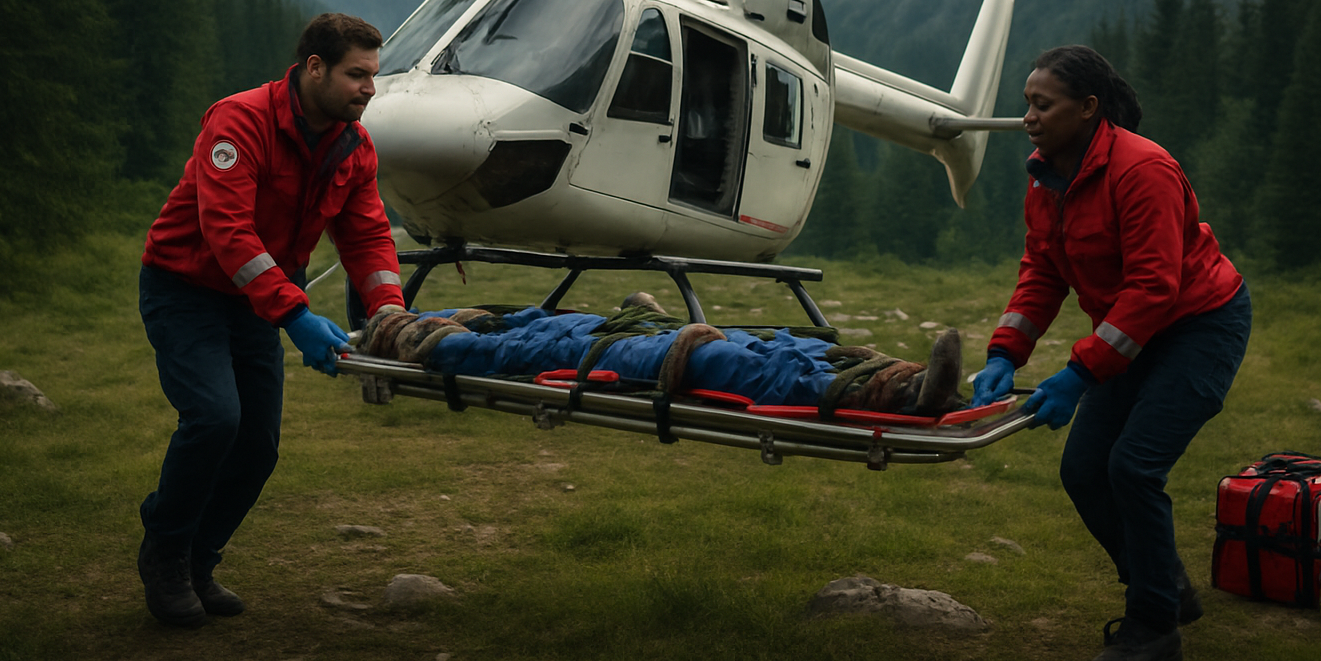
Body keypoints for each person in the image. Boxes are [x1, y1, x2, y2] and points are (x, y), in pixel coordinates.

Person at [969, 46, 1250, 661]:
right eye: (1026, 105)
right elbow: (1042, 271)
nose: (1029, 118)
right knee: (1083, 469)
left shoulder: (1141, 169)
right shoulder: (1045, 178)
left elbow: (1154, 288)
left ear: (1088, 108)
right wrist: (1003, 354)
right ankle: (1162, 583)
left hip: (1200, 326)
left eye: (1043, 105)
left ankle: (1153, 630)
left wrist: (1079, 374)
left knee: (1132, 467)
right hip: (1131, 334)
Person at [136, 13, 406, 627]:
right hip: (186, 289)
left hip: (258, 300)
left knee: (257, 446)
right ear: (315, 68)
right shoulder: (238, 120)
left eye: (374, 76)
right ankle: (165, 551)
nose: (370, 89)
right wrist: (297, 317)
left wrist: (389, 311)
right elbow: (227, 232)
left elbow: (365, 235)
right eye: (356, 75)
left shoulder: (353, 145)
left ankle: (199, 560)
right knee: (214, 419)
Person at [353, 295, 964, 418]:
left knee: (778, 343)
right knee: (723, 362)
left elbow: (522, 319)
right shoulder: (455, 340)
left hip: (623, 333)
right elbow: (458, 349)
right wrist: (408, 329)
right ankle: (890, 392)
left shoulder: (491, 317)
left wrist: (635, 310)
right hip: (619, 354)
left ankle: (892, 371)